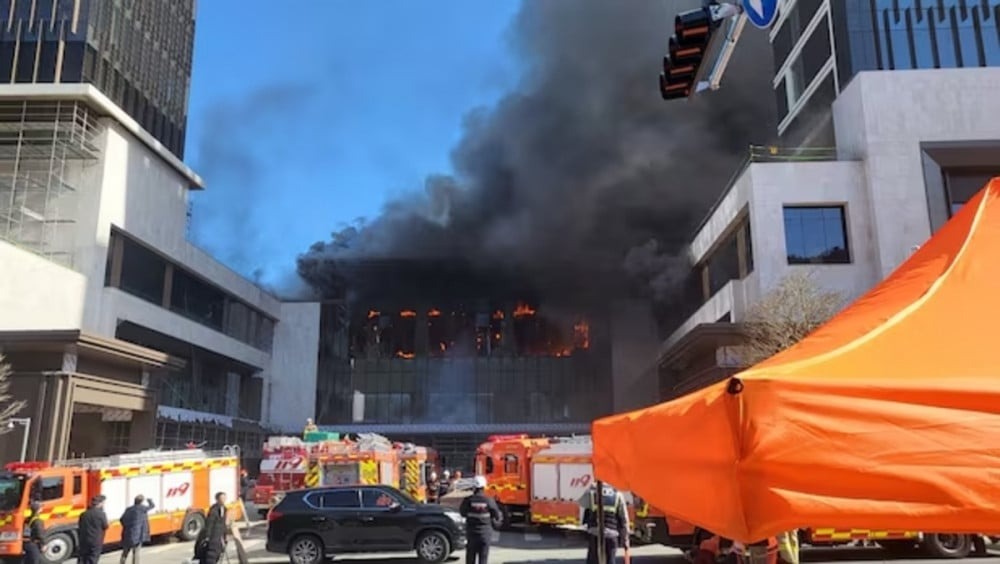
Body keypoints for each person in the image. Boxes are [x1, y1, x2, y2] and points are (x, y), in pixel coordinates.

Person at [581, 483, 629, 564]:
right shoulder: (617, 494)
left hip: (595, 534)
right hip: (611, 535)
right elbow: (624, 520)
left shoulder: (592, 492)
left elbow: (583, 507)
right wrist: (625, 539)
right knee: (610, 560)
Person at [459, 476, 502, 564]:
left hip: (471, 534)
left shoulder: (468, 500)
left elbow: (462, 512)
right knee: (483, 558)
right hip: (485, 534)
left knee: (470, 558)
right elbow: (497, 515)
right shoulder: (489, 500)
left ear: (473, 487)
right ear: (484, 487)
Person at [120, 495, 155, 564]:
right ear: (141, 502)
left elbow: (122, 519)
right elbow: (152, 506)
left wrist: (127, 527)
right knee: (136, 552)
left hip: (127, 533)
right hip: (138, 535)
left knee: (125, 551)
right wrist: (149, 500)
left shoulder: (128, 509)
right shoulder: (142, 508)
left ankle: (122, 562)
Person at [195, 492, 229, 564]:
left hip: (220, 537)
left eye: (224, 498)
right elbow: (209, 524)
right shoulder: (213, 510)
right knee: (210, 556)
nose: (223, 500)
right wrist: (207, 537)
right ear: (217, 499)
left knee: (217, 554)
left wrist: (225, 536)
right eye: (222, 498)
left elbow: (224, 525)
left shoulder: (225, 509)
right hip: (213, 537)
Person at [77, 495, 109, 564]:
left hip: (84, 540)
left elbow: (80, 525)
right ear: (100, 503)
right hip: (95, 541)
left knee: (82, 558)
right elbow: (105, 526)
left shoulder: (83, 514)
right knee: (93, 558)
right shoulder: (101, 514)